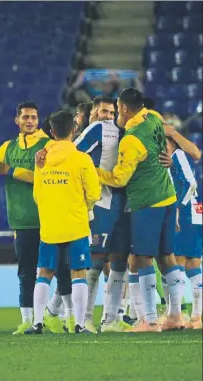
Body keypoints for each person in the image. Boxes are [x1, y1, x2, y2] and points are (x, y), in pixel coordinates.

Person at [96, 88, 183, 332]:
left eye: (117, 108)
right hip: (168, 196)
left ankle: (150, 319)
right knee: (166, 256)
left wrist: (92, 172)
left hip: (147, 202)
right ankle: (175, 315)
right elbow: (164, 140)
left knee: (144, 257)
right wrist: (165, 155)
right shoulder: (154, 117)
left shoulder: (131, 139)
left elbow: (120, 178)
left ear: (123, 108)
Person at [0, 102, 54, 334]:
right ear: (17, 120)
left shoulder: (48, 146)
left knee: (54, 268)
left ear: (39, 120)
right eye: (25, 117)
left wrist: (11, 170)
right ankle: (26, 319)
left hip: (48, 217)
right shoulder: (8, 147)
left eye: (33, 117)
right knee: (25, 271)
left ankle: (55, 315)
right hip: (21, 220)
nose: (30, 121)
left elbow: (44, 177)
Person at [26, 111, 101, 334]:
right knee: (79, 273)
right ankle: (78, 324)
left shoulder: (41, 160)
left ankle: (36, 322)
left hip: (49, 226)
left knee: (44, 273)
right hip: (76, 224)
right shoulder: (82, 159)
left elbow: (37, 196)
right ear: (74, 130)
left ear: (51, 132)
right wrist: (82, 207)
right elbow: (94, 193)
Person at [72, 95, 131, 333]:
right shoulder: (99, 129)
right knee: (95, 262)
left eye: (112, 112)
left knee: (119, 263)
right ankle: (84, 317)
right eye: (105, 112)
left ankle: (110, 320)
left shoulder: (131, 133)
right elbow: (75, 153)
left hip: (126, 206)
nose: (109, 116)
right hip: (102, 204)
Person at [166, 137, 202, 329]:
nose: (162, 147)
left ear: (173, 144)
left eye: (165, 143)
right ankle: (196, 317)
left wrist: (178, 209)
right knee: (193, 264)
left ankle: (176, 315)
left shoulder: (178, 155)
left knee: (177, 261)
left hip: (186, 212)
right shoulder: (180, 158)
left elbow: (190, 184)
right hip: (196, 211)